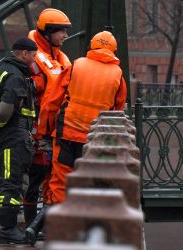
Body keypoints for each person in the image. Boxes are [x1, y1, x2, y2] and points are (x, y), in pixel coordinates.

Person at [42, 30, 127, 206]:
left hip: (66, 133)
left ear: (91, 46)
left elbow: (52, 101)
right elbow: (118, 112)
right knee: (92, 180)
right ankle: (85, 224)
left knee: (60, 181)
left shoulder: (76, 66)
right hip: (95, 138)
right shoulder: (117, 75)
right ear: (114, 50)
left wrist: (45, 131)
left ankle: (57, 225)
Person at [0, 37, 38, 244]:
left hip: (7, 135)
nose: (34, 59)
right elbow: (6, 109)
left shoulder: (3, 70)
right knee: (11, 182)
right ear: (24, 53)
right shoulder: (16, 76)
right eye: (33, 55)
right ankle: (7, 228)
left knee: (2, 182)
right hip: (14, 135)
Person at [24, 8, 71, 234]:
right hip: (35, 129)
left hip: (50, 129)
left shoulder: (57, 55)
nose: (65, 35)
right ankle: (31, 225)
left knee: (49, 176)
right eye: (61, 31)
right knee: (36, 176)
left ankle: (40, 227)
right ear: (48, 31)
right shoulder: (33, 57)